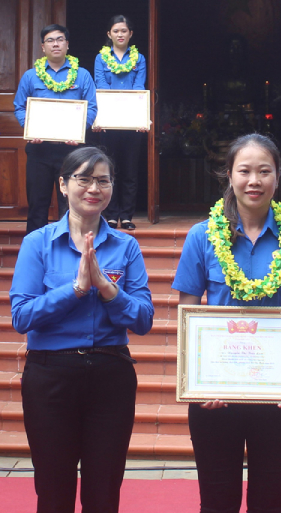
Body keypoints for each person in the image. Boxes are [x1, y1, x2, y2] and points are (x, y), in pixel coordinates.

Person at [172, 134, 281, 513]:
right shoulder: (202, 236)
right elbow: (187, 315)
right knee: (217, 499)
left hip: (276, 395)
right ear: (229, 175)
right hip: (214, 396)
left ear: (278, 176)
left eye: (264, 171)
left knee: (269, 499)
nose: (253, 181)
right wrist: (197, 380)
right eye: (244, 171)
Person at [10, 146, 154, 513]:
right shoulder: (37, 244)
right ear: (62, 184)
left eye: (103, 181)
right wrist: (74, 290)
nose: (94, 188)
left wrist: (107, 289)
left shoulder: (127, 246)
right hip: (50, 378)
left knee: (104, 490)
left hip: (111, 375)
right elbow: (22, 317)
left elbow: (143, 319)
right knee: (54, 489)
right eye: (84, 179)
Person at [14, 24, 97, 234]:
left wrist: (78, 131)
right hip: (39, 151)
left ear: (67, 45)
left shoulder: (82, 76)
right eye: (50, 40)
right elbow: (19, 107)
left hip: (71, 153)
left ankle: (69, 250)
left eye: (60, 39)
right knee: (37, 205)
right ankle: (36, 254)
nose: (56, 44)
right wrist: (30, 128)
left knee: (70, 205)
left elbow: (92, 108)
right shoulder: (30, 76)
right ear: (43, 47)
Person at [94, 15, 147, 230]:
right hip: (109, 122)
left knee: (130, 170)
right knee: (109, 169)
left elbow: (138, 86)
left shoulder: (139, 58)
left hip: (132, 122)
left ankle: (126, 216)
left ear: (130, 34)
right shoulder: (101, 58)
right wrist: (107, 115)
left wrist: (137, 116)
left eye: (124, 31)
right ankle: (110, 215)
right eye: (116, 31)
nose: (120, 34)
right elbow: (100, 84)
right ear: (109, 34)